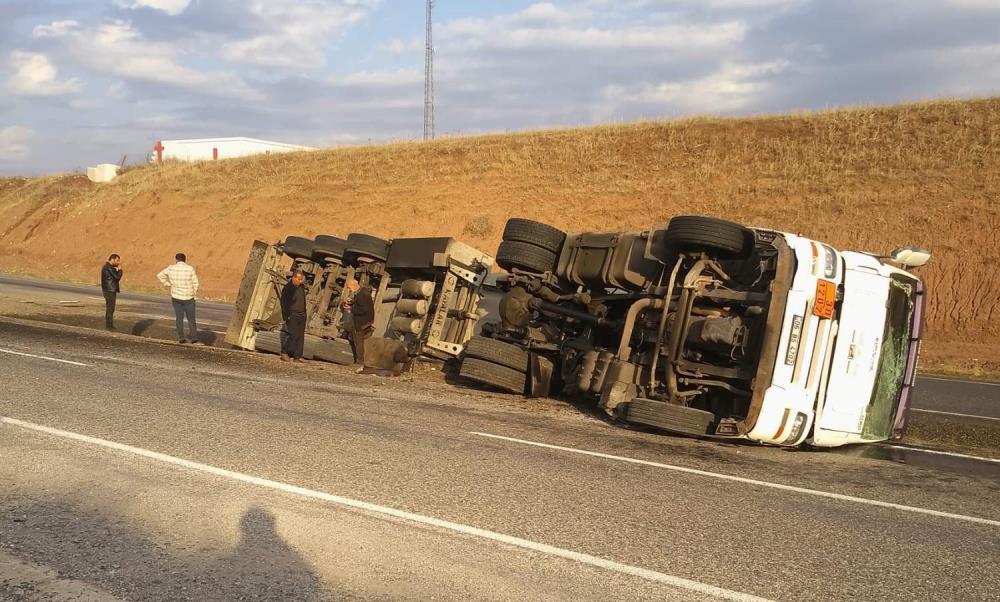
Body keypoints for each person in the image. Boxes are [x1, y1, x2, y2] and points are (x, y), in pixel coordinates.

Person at [157, 252, 201, 344]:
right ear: (185, 260)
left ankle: (181, 337)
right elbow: (196, 283)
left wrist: (167, 284)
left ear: (176, 259)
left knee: (179, 318)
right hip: (188, 297)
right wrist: (194, 292)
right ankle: (194, 338)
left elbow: (160, 275)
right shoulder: (190, 268)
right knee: (191, 319)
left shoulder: (171, 268)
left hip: (176, 297)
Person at [346, 278, 375, 369]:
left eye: (349, 287)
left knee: (358, 341)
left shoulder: (362, 294)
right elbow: (361, 305)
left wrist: (351, 308)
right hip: (365, 321)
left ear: (353, 286)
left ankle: (360, 362)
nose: (349, 290)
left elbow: (364, 309)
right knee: (358, 341)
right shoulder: (362, 292)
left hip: (362, 322)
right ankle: (359, 360)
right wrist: (352, 303)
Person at [279, 270, 307, 362]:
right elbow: (284, 303)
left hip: (302, 315)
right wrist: (287, 316)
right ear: (293, 278)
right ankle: (284, 352)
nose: (300, 281)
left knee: (300, 337)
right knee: (294, 335)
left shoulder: (301, 287)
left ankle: (297, 356)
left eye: (301, 279)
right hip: (292, 315)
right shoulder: (288, 288)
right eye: (298, 279)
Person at [100, 254, 123, 330]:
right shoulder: (109, 267)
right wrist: (120, 270)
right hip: (110, 290)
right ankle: (109, 326)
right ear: (112, 259)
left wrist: (116, 270)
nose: (118, 262)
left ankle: (109, 325)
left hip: (108, 289)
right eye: (117, 260)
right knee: (110, 308)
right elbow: (117, 277)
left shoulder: (107, 267)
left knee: (110, 308)